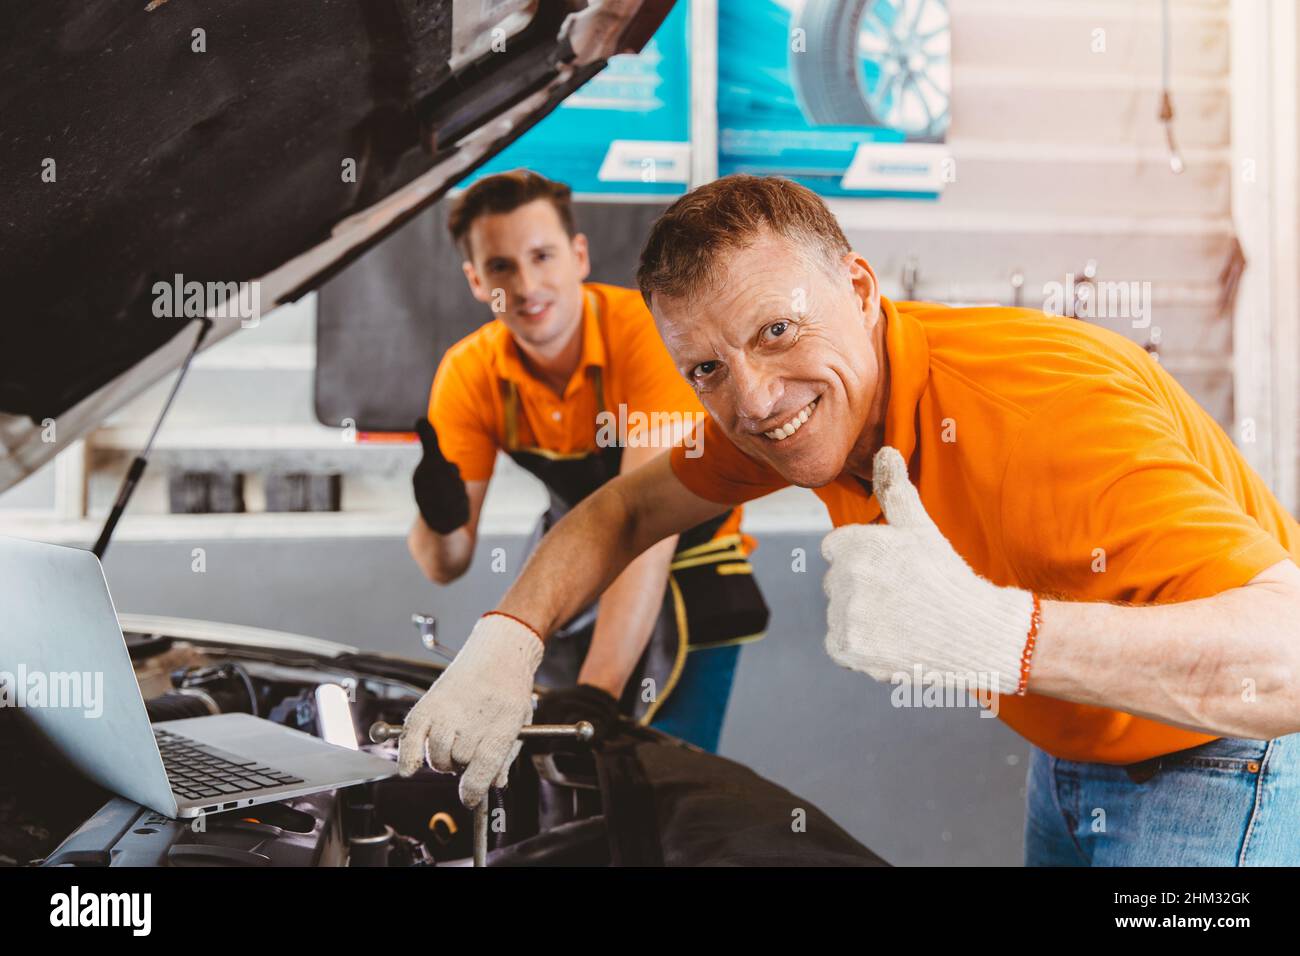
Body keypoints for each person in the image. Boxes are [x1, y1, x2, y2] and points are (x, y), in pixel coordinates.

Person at [399, 173, 1300, 867]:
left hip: (1218, 760)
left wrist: (999, 634)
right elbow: (628, 508)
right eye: (705, 369)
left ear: (861, 288)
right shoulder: (782, 409)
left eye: (778, 332)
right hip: (1074, 753)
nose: (752, 400)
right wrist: (507, 640)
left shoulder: (1046, 409)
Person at [406, 169, 768, 756]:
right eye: (501, 266)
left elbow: (639, 522)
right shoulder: (468, 374)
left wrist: (595, 696)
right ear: (476, 280)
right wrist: (439, 518)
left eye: (542, 255)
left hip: (687, 567)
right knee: (564, 788)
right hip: (578, 569)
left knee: (660, 779)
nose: (526, 285)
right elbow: (445, 565)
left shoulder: (649, 336)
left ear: (578, 255)